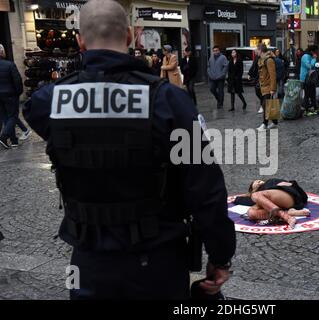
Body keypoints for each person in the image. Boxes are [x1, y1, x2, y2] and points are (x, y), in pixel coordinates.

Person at [23, 0, 235, 299]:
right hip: (156, 262)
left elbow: (35, 113)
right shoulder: (169, 102)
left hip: (87, 263)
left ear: (80, 41)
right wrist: (220, 255)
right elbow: (205, 189)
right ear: (129, 37)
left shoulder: (49, 102)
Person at [233, 179, 310, 230]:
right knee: (251, 212)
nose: (259, 183)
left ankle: (287, 217)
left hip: (286, 196)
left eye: (259, 181)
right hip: (279, 204)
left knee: (256, 196)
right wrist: (249, 194)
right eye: (256, 183)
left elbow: (301, 194)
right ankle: (287, 213)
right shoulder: (256, 196)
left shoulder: (270, 182)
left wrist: (292, 184)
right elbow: (238, 200)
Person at [0, 44, 24, 149]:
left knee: (6, 118)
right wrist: (18, 93)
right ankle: (4, 137)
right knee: (13, 116)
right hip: (10, 95)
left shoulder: (10, 64)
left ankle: (14, 140)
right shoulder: (10, 65)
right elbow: (17, 80)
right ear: (2, 52)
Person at [256, 43, 277, 131]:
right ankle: (275, 122)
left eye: (257, 49)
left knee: (266, 106)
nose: (256, 51)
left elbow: (273, 75)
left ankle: (264, 124)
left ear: (260, 50)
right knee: (269, 106)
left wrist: (273, 88)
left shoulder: (269, 60)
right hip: (263, 86)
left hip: (268, 87)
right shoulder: (261, 59)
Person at [299, 45, 319, 116]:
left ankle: (315, 108)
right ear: (312, 51)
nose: (316, 52)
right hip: (306, 79)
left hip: (310, 78)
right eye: (315, 51)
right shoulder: (305, 56)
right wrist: (314, 59)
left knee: (313, 93)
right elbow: (309, 66)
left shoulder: (309, 56)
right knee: (307, 94)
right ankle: (306, 110)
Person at [248, 47, 264, 114]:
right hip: (257, 77)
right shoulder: (256, 57)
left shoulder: (263, 58)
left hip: (262, 77)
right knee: (257, 92)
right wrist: (249, 74)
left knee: (261, 92)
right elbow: (253, 66)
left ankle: (262, 106)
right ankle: (264, 103)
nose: (255, 52)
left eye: (256, 50)